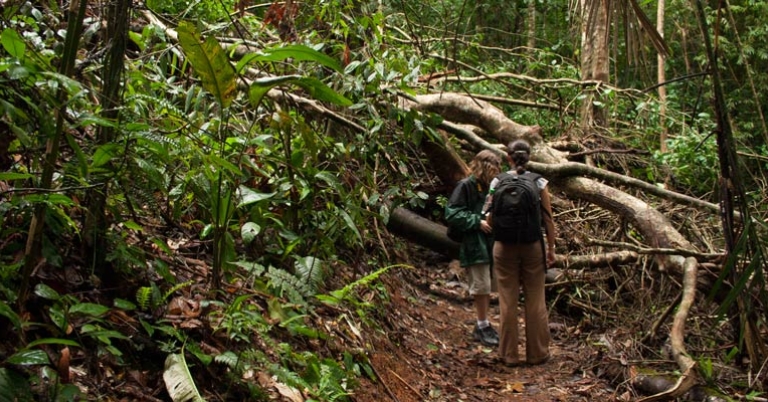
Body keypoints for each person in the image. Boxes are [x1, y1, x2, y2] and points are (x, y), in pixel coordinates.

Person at [487, 139, 557, 366]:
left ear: (508, 157)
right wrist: (552, 249)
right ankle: (537, 354)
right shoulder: (539, 182)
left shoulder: (497, 181)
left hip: (503, 246)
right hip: (532, 246)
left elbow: (487, 216)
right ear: (529, 157)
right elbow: (548, 219)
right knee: (536, 299)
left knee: (507, 300)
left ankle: (509, 355)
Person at [445, 150, 502, 346]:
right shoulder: (466, 186)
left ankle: (484, 323)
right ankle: (481, 324)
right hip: (475, 243)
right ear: (483, 167)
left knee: (488, 285)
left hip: (489, 243)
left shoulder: (490, 188)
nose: (495, 173)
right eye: (492, 168)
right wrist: (476, 222)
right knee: (481, 285)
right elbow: (452, 213)